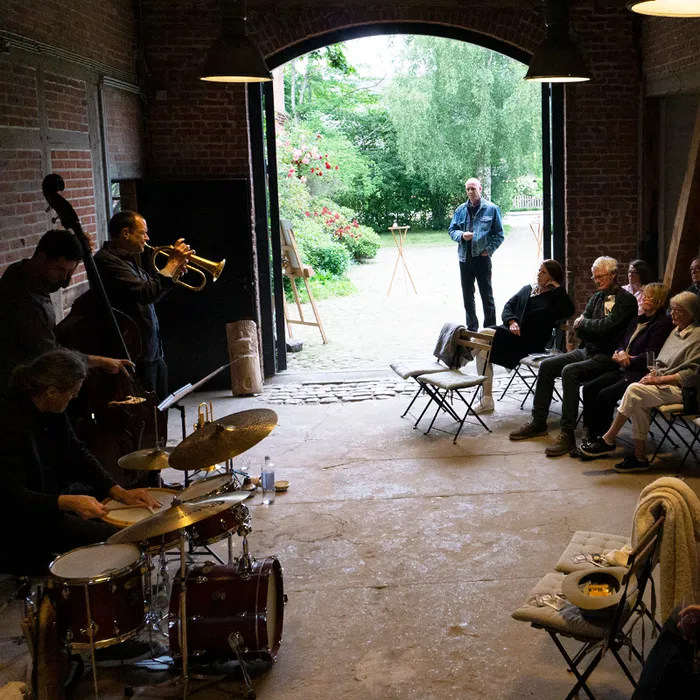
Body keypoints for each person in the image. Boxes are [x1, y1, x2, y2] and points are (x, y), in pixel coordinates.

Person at [0, 350, 162, 574]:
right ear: (52, 391)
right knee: (119, 538)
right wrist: (67, 502)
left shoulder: (51, 407)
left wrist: (119, 492)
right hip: (19, 522)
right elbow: (12, 497)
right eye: (72, 393)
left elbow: (76, 453)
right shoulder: (9, 425)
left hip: (49, 499)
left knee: (129, 524)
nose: (74, 398)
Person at [508, 256, 638, 457]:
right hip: (588, 350)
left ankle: (567, 433)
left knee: (570, 372)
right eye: (594, 277)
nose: (597, 281)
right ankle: (538, 421)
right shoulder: (597, 297)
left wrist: (586, 324)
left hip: (608, 355)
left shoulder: (626, 300)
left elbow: (607, 326)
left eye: (601, 276)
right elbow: (580, 328)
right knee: (547, 366)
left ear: (613, 275)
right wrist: (588, 326)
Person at [579, 291, 700, 472]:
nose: (673, 314)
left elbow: (692, 374)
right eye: (673, 309)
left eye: (679, 310)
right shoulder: (675, 332)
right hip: (663, 381)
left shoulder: (697, 336)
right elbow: (660, 361)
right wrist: (654, 374)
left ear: (691, 313)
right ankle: (639, 456)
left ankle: (608, 439)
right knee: (637, 399)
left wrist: (658, 379)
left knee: (634, 390)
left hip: (685, 390)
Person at [0, 229, 132, 394]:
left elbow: (59, 282)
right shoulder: (24, 301)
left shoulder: (22, 270)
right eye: (60, 270)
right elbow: (50, 354)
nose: (64, 278)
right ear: (41, 258)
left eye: (69, 271)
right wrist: (101, 361)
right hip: (16, 387)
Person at [94, 211, 192, 400]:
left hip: (152, 351)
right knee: (149, 413)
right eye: (143, 233)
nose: (147, 238)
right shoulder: (106, 261)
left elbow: (152, 291)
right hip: (136, 355)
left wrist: (173, 273)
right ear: (125, 233)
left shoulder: (127, 261)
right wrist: (172, 264)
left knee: (162, 408)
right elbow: (147, 293)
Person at [579, 283, 673, 451]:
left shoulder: (662, 323)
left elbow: (652, 354)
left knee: (606, 394)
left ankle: (603, 441)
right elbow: (622, 342)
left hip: (639, 372)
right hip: (623, 367)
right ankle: (590, 435)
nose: (644, 298)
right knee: (589, 388)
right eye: (644, 295)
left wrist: (629, 359)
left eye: (649, 296)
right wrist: (620, 352)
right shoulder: (637, 319)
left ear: (659, 300)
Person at [474, 259, 574, 414]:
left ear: (553, 277)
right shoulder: (527, 289)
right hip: (511, 335)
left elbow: (569, 312)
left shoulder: (554, 299)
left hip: (530, 343)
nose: (539, 274)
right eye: (539, 270)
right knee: (482, 349)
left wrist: (558, 289)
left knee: (483, 335)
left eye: (544, 272)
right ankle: (487, 399)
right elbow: (508, 306)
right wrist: (512, 321)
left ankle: (459, 360)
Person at [448, 178, 504, 332]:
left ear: (480, 188)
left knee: (487, 296)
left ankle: (490, 329)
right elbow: (451, 230)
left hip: (482, 258)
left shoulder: (492, 209)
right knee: (467, 296)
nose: (470, 192)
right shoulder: (460, 210)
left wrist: (488, 250)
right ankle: (472, 328)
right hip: (464, 258)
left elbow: (499, 235)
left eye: (473, 188)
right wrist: (461, 235)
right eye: (468, 189)